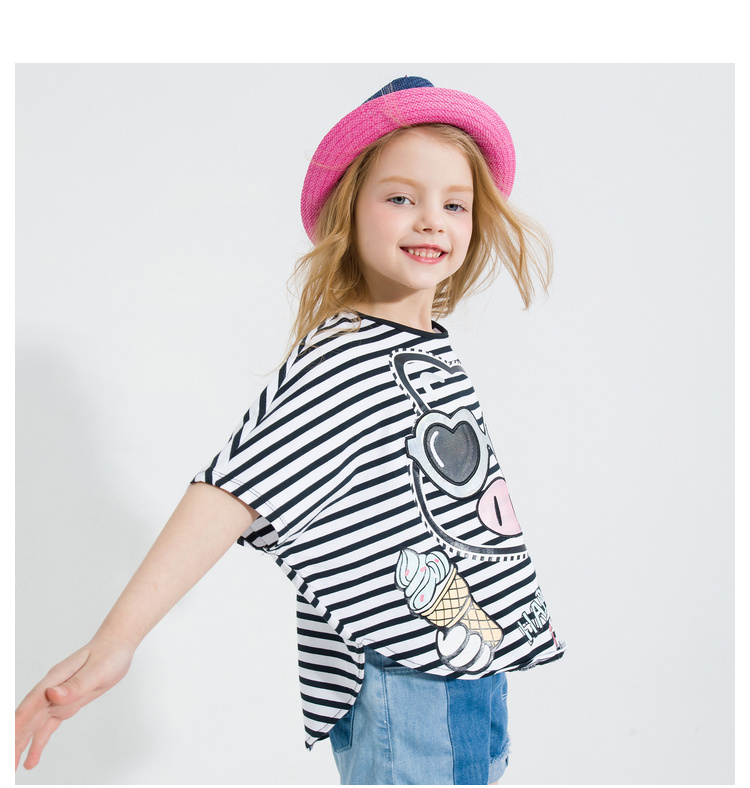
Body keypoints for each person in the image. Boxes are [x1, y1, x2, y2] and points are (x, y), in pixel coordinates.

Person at [15, 75, 566, 785]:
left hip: (462, 668)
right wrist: (116, 641)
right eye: (401, 198)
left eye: (454, 204)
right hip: (411, 681)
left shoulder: (421, 347)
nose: (432, 220)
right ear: (349, 212)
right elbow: (236, 487)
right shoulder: (345, 356)